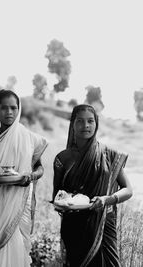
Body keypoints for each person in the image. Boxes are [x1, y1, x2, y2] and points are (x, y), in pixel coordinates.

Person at [0, 89, 48, 267]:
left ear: (19, 109)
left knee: (17, 248)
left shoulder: (28, 138)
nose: (9, 112)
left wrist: (29, 177)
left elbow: (40, 168)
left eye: (13, 108)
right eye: (4, 108)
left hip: (19, 205)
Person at [52, 104, 133, 267]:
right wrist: (63, 205)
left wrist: (107, 200)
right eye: (80, 121)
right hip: (74, 227)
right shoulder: (62, 158)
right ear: (72, 124)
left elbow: (128, 190)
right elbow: (58, 196)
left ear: (96, 124)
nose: (85, 126)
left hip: (103, 224)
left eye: (90, 121)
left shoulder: (109, 154)